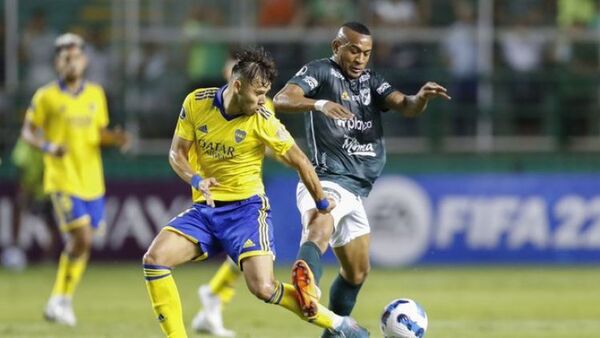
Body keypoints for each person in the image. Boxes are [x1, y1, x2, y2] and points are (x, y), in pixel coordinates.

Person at [142, 47, 369, 338]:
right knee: (155, 259)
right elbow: (177, 153)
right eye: (258, 92)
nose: (263, 100)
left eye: (266, 92)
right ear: (237, 85)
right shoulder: (197, 102)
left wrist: (322, 203)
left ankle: (338, 324)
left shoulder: (262, 118)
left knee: (263, 287)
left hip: (246, 211)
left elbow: (299, 160)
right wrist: (196, 180)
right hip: (206, 210)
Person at [273, 22, 450, 338]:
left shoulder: (372, 82)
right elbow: (283, 99)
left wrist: (420, 97)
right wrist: (319, 103)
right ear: (336, 47)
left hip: (356, 188)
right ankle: (306, 280)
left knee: (356, 272)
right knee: (321, 220)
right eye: (354, 50)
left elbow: (406, 106)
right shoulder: (321, 72)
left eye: (366, 53)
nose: (360, 58)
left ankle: (333, 332)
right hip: (326, 177)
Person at [20, 33, 129, 326]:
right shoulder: (46, 96)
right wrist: (47, 147)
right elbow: (28, 131)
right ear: (58, 63)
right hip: (62, 179)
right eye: (65, 58)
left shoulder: (96, 94)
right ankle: (59, 298)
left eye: (76, 57)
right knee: (80, 237)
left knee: (84, 244)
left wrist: (115, 138)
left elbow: (99, 133)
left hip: (92, 180)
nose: (71, 62)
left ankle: (62, 299)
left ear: (85, 61)